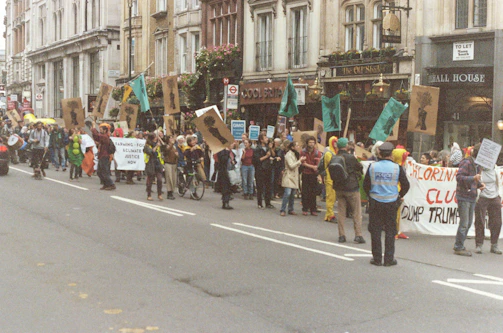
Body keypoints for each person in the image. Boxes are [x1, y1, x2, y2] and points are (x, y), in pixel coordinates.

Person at [364, 142, 410, 266]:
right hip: (391, 203)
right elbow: (406, 185)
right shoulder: (397, 168)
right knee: (390, 231)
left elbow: (365, 185)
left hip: (375, 202)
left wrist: (371, 196)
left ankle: (377, 258)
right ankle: (389, 259)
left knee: (375, 231)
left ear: (379, 153)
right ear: (391, 154)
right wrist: (399, 196)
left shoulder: (372, 167)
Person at [454, 143, 485, 256]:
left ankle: (460, 244)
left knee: (468, 222)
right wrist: (474, 178)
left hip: (471, 196)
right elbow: (459, 177)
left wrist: (479, 185)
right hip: (464, 196)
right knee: (464, 223)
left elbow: (472, 181)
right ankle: (458, 246)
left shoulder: (477, 165)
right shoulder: (467, 162)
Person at [333, 138, 365, 244]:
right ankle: (358, 235)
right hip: (351, 187)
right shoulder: (351, 157)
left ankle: (341, 235)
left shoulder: (335, 157)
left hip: (339, 188)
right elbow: (359, 168)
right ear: (346, 146)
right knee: (356, 211)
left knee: (341, 212)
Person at [474, 161, 502, 255]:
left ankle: (494, 245)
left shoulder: (495, 168)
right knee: (479, 221)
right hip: (482, 197)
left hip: (494, 196)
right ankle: (479, 244)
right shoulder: (478, 168)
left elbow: (498, 182)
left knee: (497, 222)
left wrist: (499, 195)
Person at [280, 141, 305, 216]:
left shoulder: (296, 154)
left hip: (294, 176)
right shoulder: (288, 154)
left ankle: (291, 209)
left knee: (292, 194)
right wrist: (300, 161)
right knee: (287, 193)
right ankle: (283, 209)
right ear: (292, 147)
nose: (298, 147)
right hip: (289, 175)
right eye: (296, 146)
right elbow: (291, 165)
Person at [300, 136, 322, 216]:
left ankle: (313, 209)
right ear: (307, 143)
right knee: (305, 191)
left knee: (313, 192)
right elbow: (303, 163)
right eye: (310, 142)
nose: (311, 144)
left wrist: (316, 167)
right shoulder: (303, 152)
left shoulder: (317, 152)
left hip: (313, 174)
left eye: (313, 142)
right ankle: (305, 208)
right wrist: (312, 166)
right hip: (305, 173)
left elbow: (318, 162)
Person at [91, 121, 116, 190]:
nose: (100, 130)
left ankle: (111, 184)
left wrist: (93, 127)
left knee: (104, 171)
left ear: (105, 130)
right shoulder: (104, 136)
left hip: (105, 155)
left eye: (101, 129)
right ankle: (106, 184)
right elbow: (97, 137)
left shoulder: (105, 136)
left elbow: (97, 136)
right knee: (99, 171)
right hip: (102, 155)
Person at [253, 133, 274, 209]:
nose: (267, 139)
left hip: (268, 168)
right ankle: (260, 203)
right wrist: (266, 156)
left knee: (268, 186)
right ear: (261, 140)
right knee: (260, 187)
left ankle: (268, 203)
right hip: (260, 169)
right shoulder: (257, 149)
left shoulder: (268, 147)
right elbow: (257, 160)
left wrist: (271, 149)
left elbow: (272, 155)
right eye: (265, 138)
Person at [144, 133, 164, 201]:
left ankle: (159, 194)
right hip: (150, 164)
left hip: (157, 164)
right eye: (155, 137)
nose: (156, 138)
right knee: (150, 180)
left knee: (160, 180)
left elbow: (164, 147)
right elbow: (151, 152)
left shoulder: (158, 144)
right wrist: (156, 147)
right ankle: (149, 195)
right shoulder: (147, 146)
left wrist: (160, 140)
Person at [322, 136, 338, 222]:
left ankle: (328, 215)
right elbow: (332, 164)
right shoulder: (328, 153)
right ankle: (330, 214)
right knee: (330, 197)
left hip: (334, 178)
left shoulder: (336, 152)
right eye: (334, 142)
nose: (336, 144)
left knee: (333, 197)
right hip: (329, 177)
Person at [161, 134, 178, 200]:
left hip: (174, 163)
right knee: (169, 178)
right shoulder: (165, 146)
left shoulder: (174, 146)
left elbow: (176, 154)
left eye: (172, 138)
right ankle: (169, 192)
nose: (172, 139)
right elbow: (166, 151)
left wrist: (177, 155)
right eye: (170, 138)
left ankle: (172, 191)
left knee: (174, 178)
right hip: (168, 163)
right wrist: (171, 144)